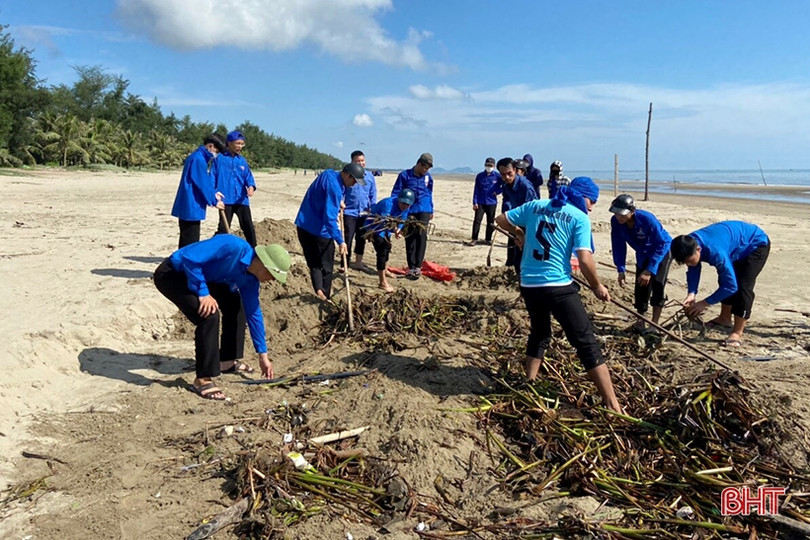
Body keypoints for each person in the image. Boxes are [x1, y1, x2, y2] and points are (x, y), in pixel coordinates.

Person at [494, 178, 622, 413]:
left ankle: (530, 383)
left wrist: (519, 232)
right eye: (592, 201)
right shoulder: (579, 218)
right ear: (582, 196)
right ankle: (612, 403)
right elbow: (585, 259)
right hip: (558, 286)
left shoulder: (535, 205)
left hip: (529, 283)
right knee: (586, 342)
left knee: (540, 332)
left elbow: (501, 219)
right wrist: (597, 286)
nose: (592, 207)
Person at [153, 235, 291, 401]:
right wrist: (203, 293)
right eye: (273, 276)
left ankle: (226, 360)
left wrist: (263, 354)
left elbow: (254, 313)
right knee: (209, 315)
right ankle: (202, 379)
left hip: (206, 277)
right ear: (265, 267)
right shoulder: (232, 246)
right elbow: (190, 259)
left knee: (235, 305)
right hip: (175, 274)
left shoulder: (251, 280)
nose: (271, 281)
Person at [670, 221, 770, 347]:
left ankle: (737, 332)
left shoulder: (715, 252)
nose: (688, 264)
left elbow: (731, 286)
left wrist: (704, 303)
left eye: (689, 261)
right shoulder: (686, 244)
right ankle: (724, 319)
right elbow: (693, 268)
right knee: (724, 279)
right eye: (685, 262)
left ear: (698, 250)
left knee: (743, 287)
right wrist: (691, 293)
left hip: (755, 244)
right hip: (732, 245)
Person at [295, 162, 366, 300]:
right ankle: (325, 296)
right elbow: (329, 220)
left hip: (303, 225)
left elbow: (323, 192)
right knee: (327, 267)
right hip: (320, 231)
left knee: (314, 264)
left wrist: (338, 202)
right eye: (354, 180)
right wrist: (340, 241)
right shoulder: (335, 189)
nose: (354, 184)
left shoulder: (328, 174)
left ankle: (319, 292)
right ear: (347, 174)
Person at [609, 194, 672, 330]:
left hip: (661, 251)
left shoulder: (647, 219)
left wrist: (650, 269)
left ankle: (654, 323)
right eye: (616, 213)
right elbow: (618, 244)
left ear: (632, 211)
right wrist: (621, 269)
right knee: (641, 286)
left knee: (658, 284)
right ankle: (640, 321)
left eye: (622, 214)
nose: (619, 217)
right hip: (642, 252)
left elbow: (662, 243)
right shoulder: (616, 222)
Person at [170, 133, 227, 248]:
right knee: (190, 242)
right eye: (217, 151)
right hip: (191, 205)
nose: (216, 155)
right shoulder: (198, 159)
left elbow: (204, 180)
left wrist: (214, 193)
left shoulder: (198, 157)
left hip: (190, 205)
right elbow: (202, 183)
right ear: (210, 146)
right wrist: (214, 201)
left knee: (186, 239)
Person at [391, 153, 434, 279]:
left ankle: (418, 267)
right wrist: (396, 211)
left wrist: (431, 209)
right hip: (409, 210)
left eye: (428, 169)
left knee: (421, 236)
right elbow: (396, 193)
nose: (426, 171)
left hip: (424, 208)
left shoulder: (428, 177)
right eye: (425, 168)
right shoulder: (404, 175)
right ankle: (411, 266)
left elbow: (429, 193)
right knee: (410, 237)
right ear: (419, 164)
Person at [364, 188, 415, 292]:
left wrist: (398, 230)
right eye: (403, 203)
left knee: (387, 248)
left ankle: (385, 270)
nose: (404, 206)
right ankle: (382, 282)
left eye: (407, 205)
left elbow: (402, 220)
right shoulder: (388, 204)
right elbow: (384, 221)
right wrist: (394, 228)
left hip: (386, 230)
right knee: (382, 251)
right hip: (375, 227)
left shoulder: (406, 208)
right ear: (399, 200)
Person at [216, 131, 258, 247]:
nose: (240, 146)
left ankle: (253, 251)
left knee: (248, 227)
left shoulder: (242, 161)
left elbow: (248, 176)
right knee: (223, 229)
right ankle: (217, 250)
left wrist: (251, 186)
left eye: (242, 144)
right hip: (226, 199)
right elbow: (212, 177)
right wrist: (214, 194)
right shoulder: (219, 159)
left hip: (241, 199)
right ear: (229, 143)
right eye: (237, 143)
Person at [498, 157, 538, 276]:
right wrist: (506, 217)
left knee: (524, 258)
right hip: (516, 221)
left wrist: (524, 233)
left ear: (515, 170)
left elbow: (533, 210)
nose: (507, 177)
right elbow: (506, 201)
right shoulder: (505, 184)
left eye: (509, 173)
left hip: (530, 223)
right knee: (516, 259)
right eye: (503, 174)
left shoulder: (525, 187)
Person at [343, 150, 377, 269]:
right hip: (349, 211)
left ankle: (358, 262)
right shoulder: (348, 175)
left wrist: (373, 210)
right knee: (348, 238)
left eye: (362, 160)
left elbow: (373, 194)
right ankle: (345, 263)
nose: (360, 163)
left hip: (364, 213)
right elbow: (342, 192)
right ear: (352, 162)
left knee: (361, 238)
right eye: (357, 161)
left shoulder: (370, 177)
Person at [468, 157, 502, 246]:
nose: (489, 167)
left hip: (492, 202)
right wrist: (475, 202)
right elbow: (476, 189)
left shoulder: (498, 176)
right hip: (480, 202)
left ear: (494, 166)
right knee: (477, 220)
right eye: (487, 165)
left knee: (490, 221)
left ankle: (488, 239)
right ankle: (474, 238)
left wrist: (497, 191)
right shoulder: (480, 176)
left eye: (490, 165)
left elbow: (504, 185)